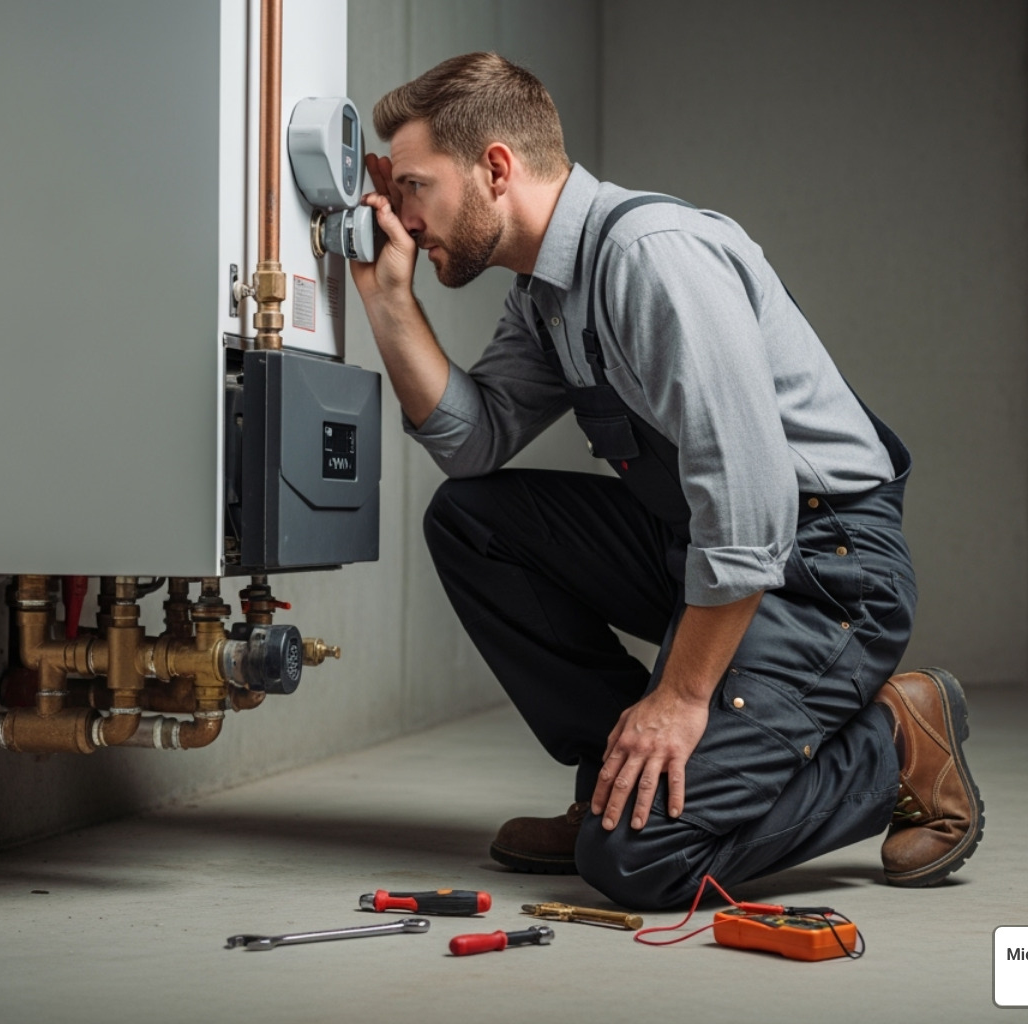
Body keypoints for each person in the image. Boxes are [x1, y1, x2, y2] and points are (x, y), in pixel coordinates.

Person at [349, 52, 983, 912]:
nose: (403, 214)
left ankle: (895, 744)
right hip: (705, 550)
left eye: (415, 186)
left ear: (495, 168)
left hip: (824, 570)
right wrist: (389, 300)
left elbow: (751, 504)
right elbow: (473, 442)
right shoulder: (545, 295)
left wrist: (681, 698)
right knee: (472, 519)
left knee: (638, 862)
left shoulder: (651, 257)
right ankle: (614, 779)